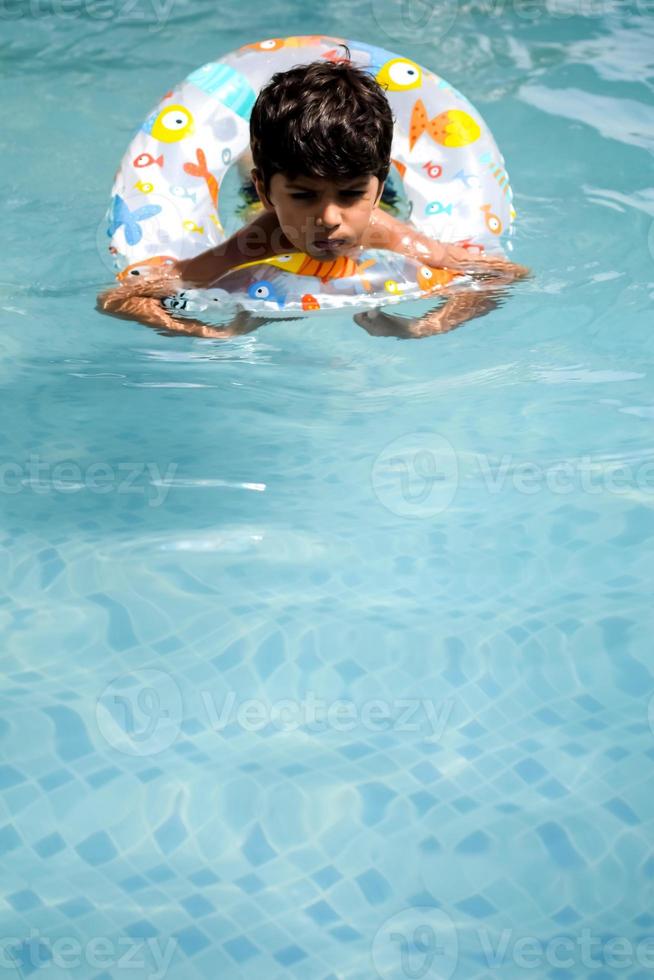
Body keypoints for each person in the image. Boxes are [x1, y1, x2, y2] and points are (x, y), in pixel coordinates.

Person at [98, 54, 529, 340]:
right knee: (257, 166)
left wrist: (425, 326)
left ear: (374, 190)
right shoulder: (256, 241)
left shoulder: (387, 233)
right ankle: (253, 161)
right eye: (306, 197)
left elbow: (504, 275)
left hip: (377, 198)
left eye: (351, 195)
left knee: (330, 171)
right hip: (266, 204)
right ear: (273, 193)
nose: (329, 217)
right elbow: (118, 298)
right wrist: (209, 333)